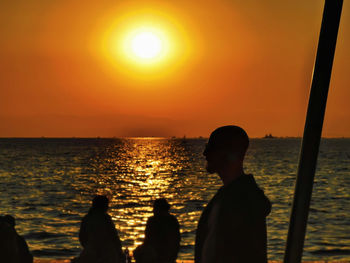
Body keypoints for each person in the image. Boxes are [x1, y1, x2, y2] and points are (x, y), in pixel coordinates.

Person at [195, 125, 271, 263]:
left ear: (228, 153)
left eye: (211, 147)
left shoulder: (240, 203)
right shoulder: (231, 198)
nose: (205, 153)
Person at [74, 195, 124, 263]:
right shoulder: (105, 218)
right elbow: (114, 236)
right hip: (106, 253)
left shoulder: (87, 218)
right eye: (106, 205)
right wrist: (120, 252)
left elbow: (82, 238)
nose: (108, 207)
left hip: (90, 252)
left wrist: (89, 247)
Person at [134, 198, 180, 263]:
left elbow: (148, 241)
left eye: (155, 209)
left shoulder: (169, 221)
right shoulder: (172, 220)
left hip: (164, 253)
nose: (153, 211)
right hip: (165, 253)